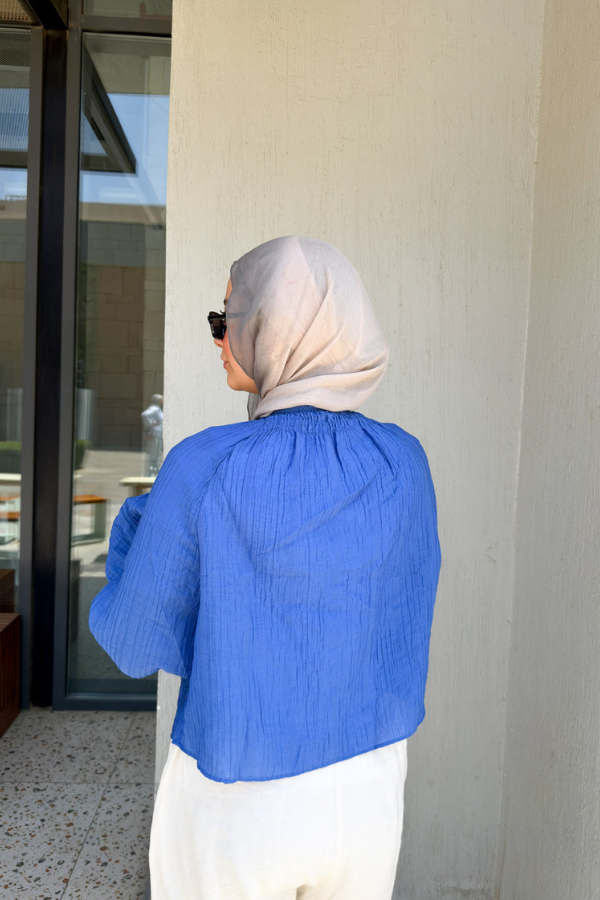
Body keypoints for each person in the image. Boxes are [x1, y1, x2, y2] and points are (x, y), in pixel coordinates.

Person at [89, 235, 441, 900]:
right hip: (369, 784)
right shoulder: (405, 462)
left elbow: (134, 643)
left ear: (277, 330)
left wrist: (139, 525)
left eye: (228, 318)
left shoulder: (205, 466)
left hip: (236, 792)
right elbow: (400, 614)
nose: (219, 338)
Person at [141, 393, 164, 476]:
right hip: (154, 434)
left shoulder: (158, 409)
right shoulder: (154, 408)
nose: (162, 401)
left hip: (158, 434)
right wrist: (152, 423)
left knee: (157, 454)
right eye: (161, 400)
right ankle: (151, 471)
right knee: (153, 454)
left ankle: (156, 471)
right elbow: (145, 415)